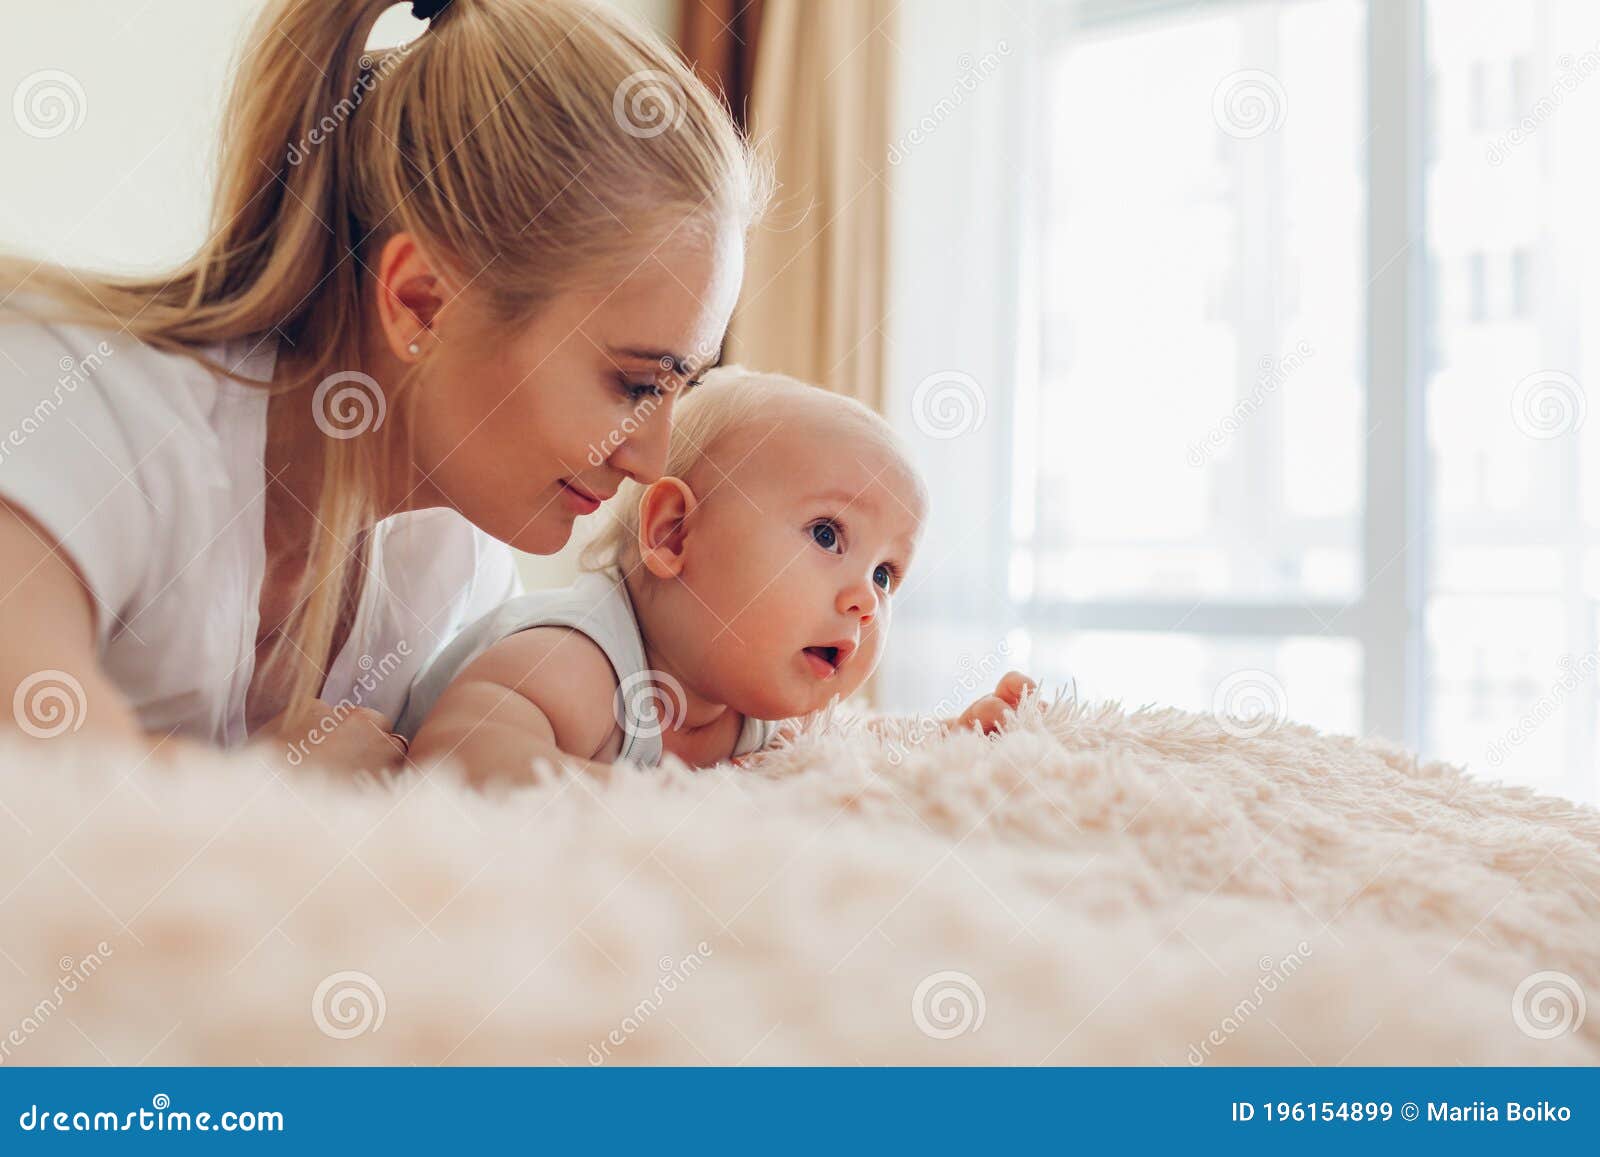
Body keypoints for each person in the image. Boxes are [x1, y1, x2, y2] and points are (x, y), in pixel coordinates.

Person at [0, 0, 766, 774]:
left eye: (682, 387)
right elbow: (48, 790)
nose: (651, 458)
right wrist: (271, 784)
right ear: (420, 303)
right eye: (635, 383)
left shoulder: (452, 562)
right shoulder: (77, 413)